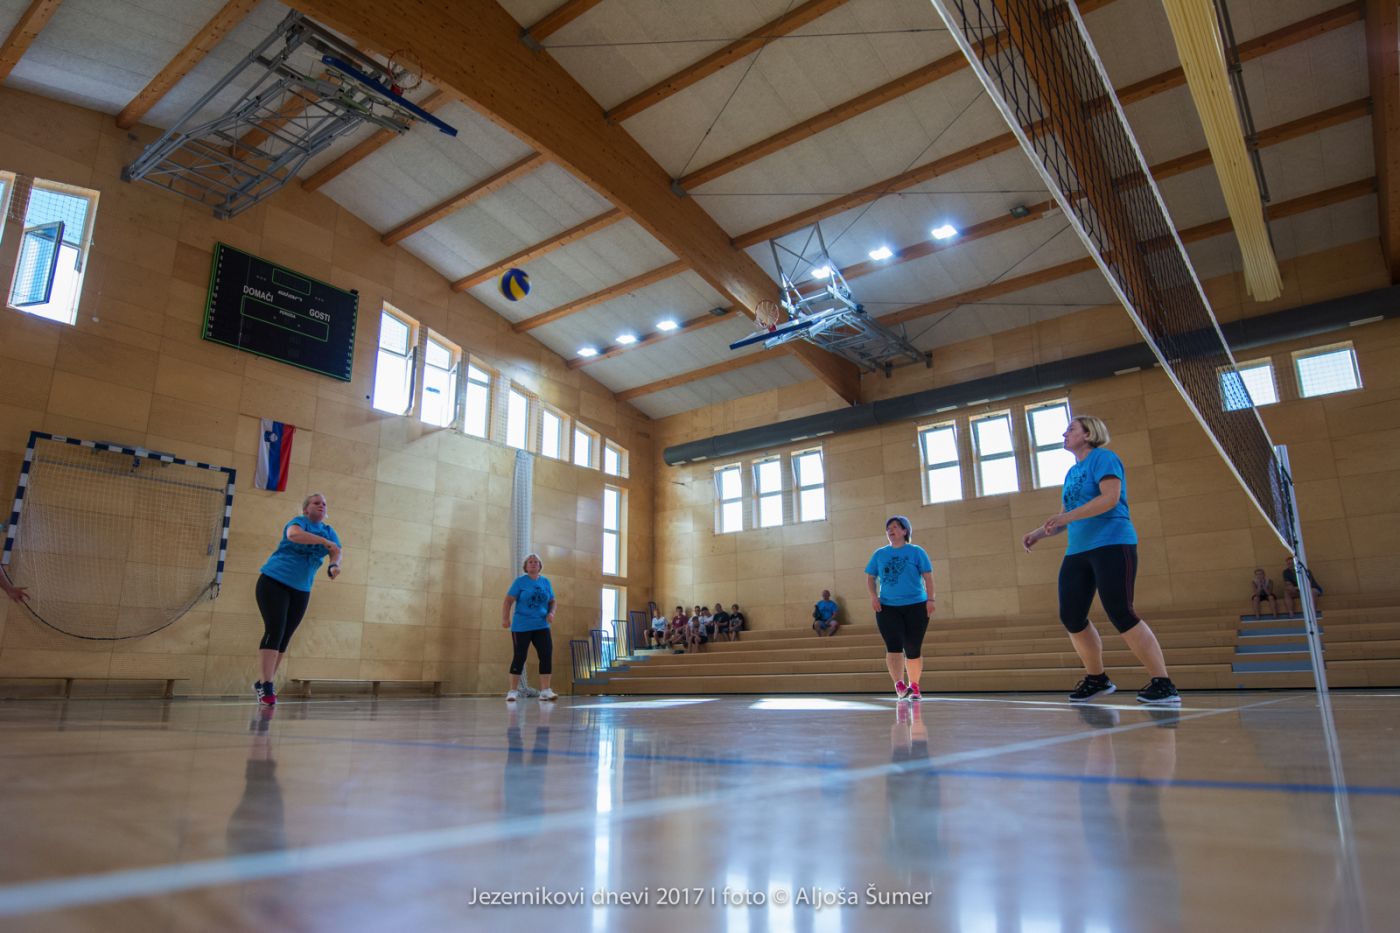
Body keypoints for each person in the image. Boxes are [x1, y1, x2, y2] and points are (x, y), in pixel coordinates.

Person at [1021, 415, 1180, 705]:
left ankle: (1163, 683)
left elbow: (1109, 499)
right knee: (1071, 616)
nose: (1064, 434)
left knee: (1121, 611)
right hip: (1077, 550)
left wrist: (1066, 517)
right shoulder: (1072, 473)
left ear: (1088, 434)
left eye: (1071, 429)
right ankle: (1097, 679)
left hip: (1113, 543)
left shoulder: (1104, 458)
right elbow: (1066, 516)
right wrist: (1037, 534)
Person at [253, 492, 342, 706]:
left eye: (324, 503)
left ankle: (263, 682)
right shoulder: (299, 523)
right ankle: (267, 685)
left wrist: (334, 565)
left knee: (285, 636)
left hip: (301, 589)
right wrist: (323, 542)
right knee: (275, 630)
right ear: (306, 509)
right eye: (316, 502)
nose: (321, 505)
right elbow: (294, 535)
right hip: (274, 581)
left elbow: (336, 550)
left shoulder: (330, 531)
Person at [865, 515, 936, 701]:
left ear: (905, 531)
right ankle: (899, 685)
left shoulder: (916, 551)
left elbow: (928, 577)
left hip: (916, 605)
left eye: (895, 527)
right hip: (888, 607)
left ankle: (915, 686)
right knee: (893, 646)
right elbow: (870, 577)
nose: (891, 530)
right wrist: (873, 596)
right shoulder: (879, 554)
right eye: (888, 528)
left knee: (913, 647)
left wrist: (931, 600)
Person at [502, 554, 558, 702]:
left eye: (536, 562)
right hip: (522, 625)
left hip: (542, 625)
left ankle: (545, 690)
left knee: (546, 655)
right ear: (526, 566)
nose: (533, 564)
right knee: (520, 656)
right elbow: (508, 601)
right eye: (530, 562)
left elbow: (552, 601)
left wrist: (551, 613)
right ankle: (513, 691)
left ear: (540, 566)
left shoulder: (545, 582)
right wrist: (505, 618)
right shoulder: (520, 582)